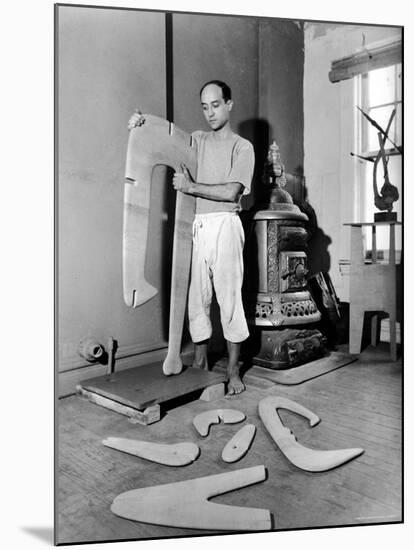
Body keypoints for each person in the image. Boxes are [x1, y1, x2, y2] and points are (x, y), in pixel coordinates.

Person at [129, 80, 254, 394]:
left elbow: (231, 192)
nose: (210, 112)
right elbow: (163, 140)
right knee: (196, 300)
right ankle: (200, 364)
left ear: (229, 104)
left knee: (229, 299)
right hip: (196, 225)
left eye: (215, 105)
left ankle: (235, 369)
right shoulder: (196, 140)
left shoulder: (243, 147)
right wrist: (140, 125)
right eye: (204, 106)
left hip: (226, 224)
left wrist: (191, 187)